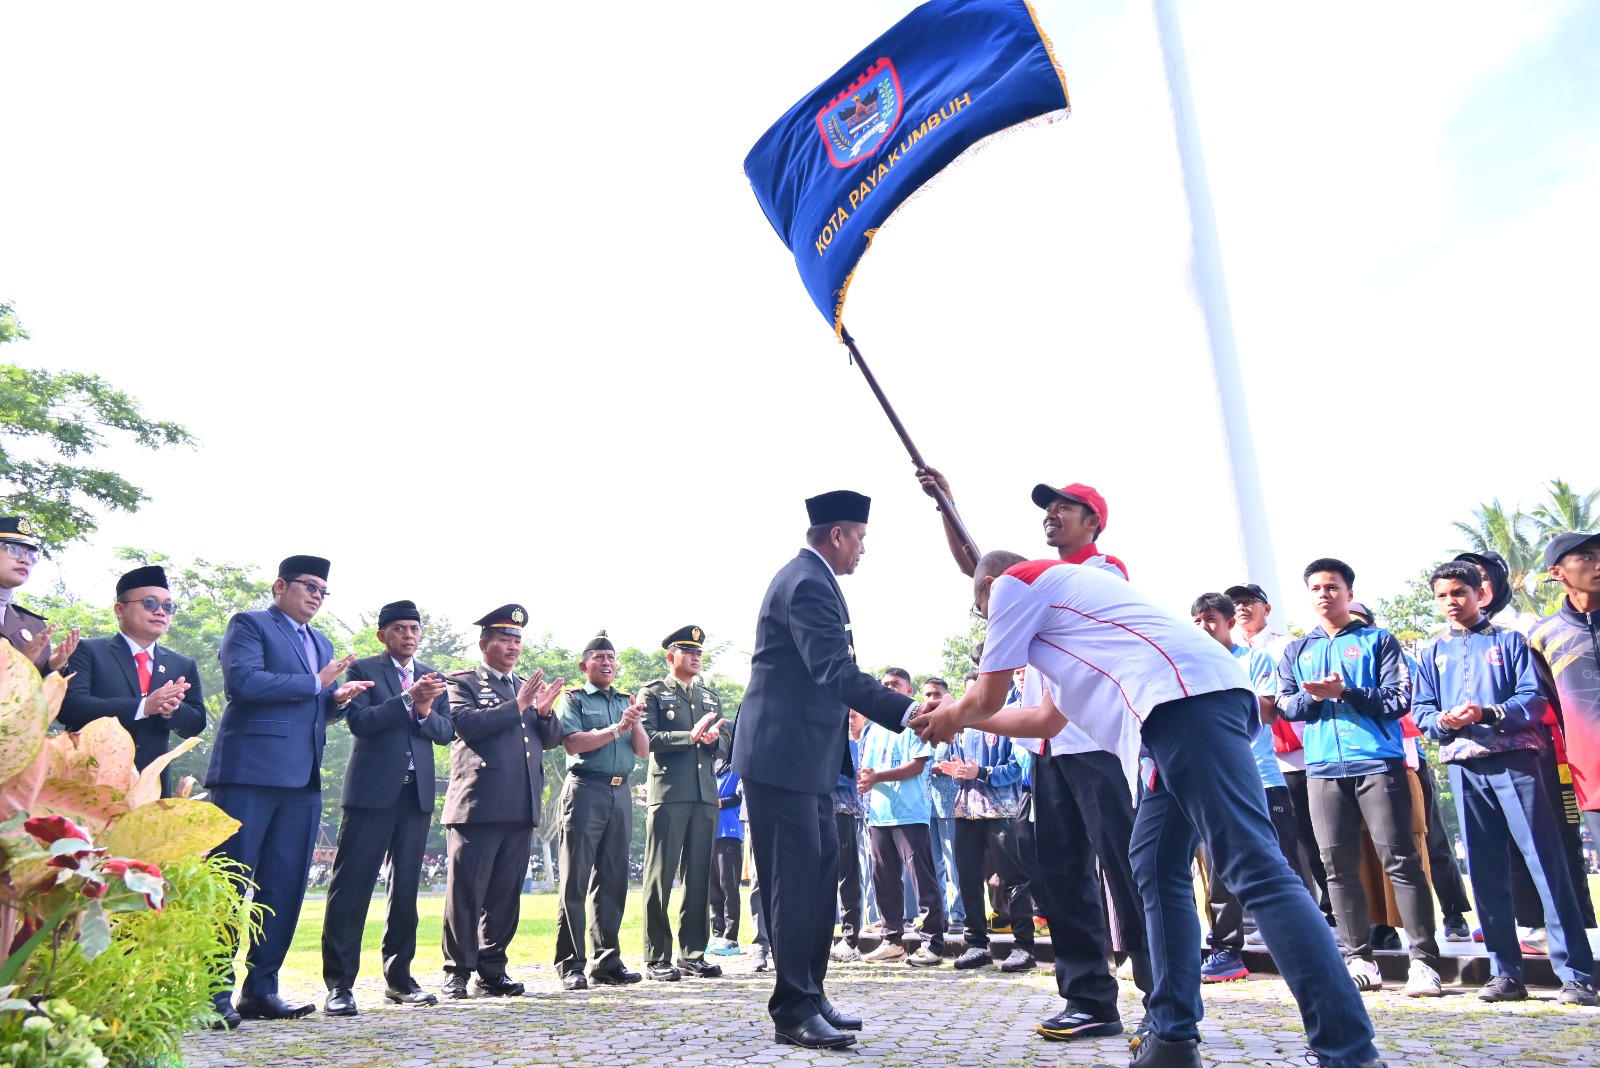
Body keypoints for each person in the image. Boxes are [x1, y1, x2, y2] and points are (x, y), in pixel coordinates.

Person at [915, 551, 1387, 1068]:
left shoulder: (1013, 582)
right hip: (1175, 712)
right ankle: (1171, 1037)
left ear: (987, 587)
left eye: (981, 611)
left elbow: (986, 696)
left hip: (1184, 700)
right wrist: (961, 717)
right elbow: (1046, 721)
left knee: (1256, 867)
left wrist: (952, 716)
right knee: (1154, 862)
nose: (990, 622)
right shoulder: (1071, 625)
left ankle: (1349, 1051)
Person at [730, 490, 937, 1051]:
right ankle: (792, 1009)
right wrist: (910, 713)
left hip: (807, 759)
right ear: (838, 534)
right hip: (782, 757)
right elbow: (833, 671)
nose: (863, 550)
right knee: (794, 882)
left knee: (820, 879)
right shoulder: (806, 583)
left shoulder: (815, 580)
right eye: (860, 539)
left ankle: (811, 992)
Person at [1412, 561, 1597, 1006]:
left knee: (1545, 863)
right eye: (1442, 595)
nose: (1451, 602)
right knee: (1484, 869)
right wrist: (1444, 720)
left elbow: (1533, 699)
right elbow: (1421, 711)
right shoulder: (1431, 651)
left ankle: (1576, 974)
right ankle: (1505, 973)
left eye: (1460, 592)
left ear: (1480, 593)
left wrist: (1489, 713)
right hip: (1463, 765)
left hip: (1516, 760)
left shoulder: (1512, 641)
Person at [206, 555, 373, 1027]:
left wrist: (336, 700)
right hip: (249, 774)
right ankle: (211, 990)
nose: (317, 596)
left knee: (283, 886)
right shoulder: (250, 624)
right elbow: (243, 683)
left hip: (302, 780)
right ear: (280, 586)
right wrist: (316, 682)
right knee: (229, 882)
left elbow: (316, 705)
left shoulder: (321, 642)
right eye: (309, 586)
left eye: (323, 590)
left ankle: (262, 989)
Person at [1277, 558, 1442, 997]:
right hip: (1322, 771)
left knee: (1400, 860)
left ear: (1349, 593)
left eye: (1332, 586)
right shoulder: (1297, 649)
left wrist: (1345, 692)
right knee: (1336, 867)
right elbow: (1286, 706)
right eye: (1316, 588)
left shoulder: (1378, 640)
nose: (1324, 594)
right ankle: (1359, 959)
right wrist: (1316, 698)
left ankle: (1424, 961)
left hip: (1377, 764)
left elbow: (1398, 700)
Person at [320, 600, 455, 1015]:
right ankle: (339, 985)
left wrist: (424, 709)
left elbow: (446, 731)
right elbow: (360, 722)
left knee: (406, 891)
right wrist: (407, 700)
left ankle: (399, 980)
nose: (408, 635)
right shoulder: (364, 670)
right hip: (372, 792)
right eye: (399, 628)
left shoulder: (432, 676)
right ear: (383, 635)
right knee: (352, 887)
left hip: (416, 794)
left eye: (414, 628)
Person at [439, 604, 564, 999]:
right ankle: (457, 970)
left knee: (505, 895)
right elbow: (467, 724)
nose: (513, 647)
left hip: (521, 804)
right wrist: (521, 705)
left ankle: (492, 970)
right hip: (478, 805)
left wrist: (544, 712)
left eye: (517, 640)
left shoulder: (523, 686)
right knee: (467, 893)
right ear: (484, 644)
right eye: (505, 639)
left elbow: (551, 739)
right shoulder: (462, 683)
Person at [1190, 592, 1304, 984]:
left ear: (1229, 622)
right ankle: (1226, 951)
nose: (1204, 627)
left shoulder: (1255, 660)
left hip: (1261, 779)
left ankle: (1304, 946)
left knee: (1281, 865)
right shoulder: (1188, 666)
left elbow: (1270, 712)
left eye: (1211, 619)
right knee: (1220, 872)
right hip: (1212, 783)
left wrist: (1223, 688)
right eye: (1197, 621)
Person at [58, 564, 205, 797]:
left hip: (149, 787)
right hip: (88, 779)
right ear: (119, 609)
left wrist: (172, 710)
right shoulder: (88, 650)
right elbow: (70, 708)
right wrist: (143, 707)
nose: (161, 612)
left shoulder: (182, 664)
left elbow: (196, 724)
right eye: (150, 603)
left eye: (168, 606)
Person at [554, 630, 648, 989]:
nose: (607, 663)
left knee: (613, 880)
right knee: (576, 880)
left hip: (620, 793)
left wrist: (634, 723)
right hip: (585, 790)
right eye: (599, 658)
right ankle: (571, 964)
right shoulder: (574, 699)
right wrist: (616, 727)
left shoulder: (625, 700)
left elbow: (642, 751)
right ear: (584, 666)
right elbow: (572, 743)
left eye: (611, 658)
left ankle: (607, 961)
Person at [638, 625, 729, 980]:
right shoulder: (653, 692)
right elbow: (647, 737)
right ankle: (656, 956)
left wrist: (711, 740)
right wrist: (689, 737)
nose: (695, 657)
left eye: (699, 653)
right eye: (688, 651)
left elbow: (724, 746)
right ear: (670, 656)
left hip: (705, 795)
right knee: (660, 876)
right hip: (669, 794)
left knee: (700, 877)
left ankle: (692, 953)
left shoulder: (709, 697)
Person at [1531, 534, 1600, 901]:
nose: (1598, 564)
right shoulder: (1542, 636)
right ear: (1557, 572)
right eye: (1587, 557)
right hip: (1591, 773)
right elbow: (1550, 707)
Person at [857, 678, 943, 968]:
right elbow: (866, 767)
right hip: (879, 814)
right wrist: (866, 779)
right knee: (884, 880)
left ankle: (932, 943)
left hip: (910, 813)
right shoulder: (872, 730)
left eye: (896, 684)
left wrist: (877, 777)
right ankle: (892, 941)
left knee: (922, 879)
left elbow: (918, 765)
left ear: (909, 691)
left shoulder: (916, 723)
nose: (889, 688)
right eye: (884, 684)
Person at [942, 721, 1034, 973]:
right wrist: (958, 773)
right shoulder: (962, 727)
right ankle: (977, 945)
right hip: (966, 811)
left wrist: (982, 772)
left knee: (1013, 879)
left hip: (1001, 811)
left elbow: (1017, 768)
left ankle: (1024, 946)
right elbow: (958, 768)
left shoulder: (1007, 721)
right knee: (968, 878)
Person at [0, 516, 78, 675]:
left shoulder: (34, 626)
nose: (25, 560)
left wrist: (53, 667)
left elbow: (42, 689)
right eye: (13, 549)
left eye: (30, 555)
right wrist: (20, 664)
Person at [921, 676, 965, 936]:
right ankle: (940, 917)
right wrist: (931, 767)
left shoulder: (956, 724)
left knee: (952, 863)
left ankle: (958, 915)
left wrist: (932, 767)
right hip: (926, 806)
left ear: (947, 696)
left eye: (937, 694)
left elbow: (958, 763)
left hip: (951, 804)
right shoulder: (920, 726)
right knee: (933, 864)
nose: (932, 699)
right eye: (927, 694)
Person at [829, 710, 869, 964]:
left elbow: (851, 776)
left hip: (843, 813)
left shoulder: (857, 745)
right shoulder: (822, 739)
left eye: (854, 716)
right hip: (816, 811)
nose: (848, 721)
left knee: (847, 875)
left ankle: (850, 938)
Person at [708, 749, 744, 955]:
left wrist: (719, 802)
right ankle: (717, 932)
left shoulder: (737, 765)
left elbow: (740, 795)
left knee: (728, 885)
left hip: (728, 830)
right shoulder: (711, 764)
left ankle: (731, 937)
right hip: (709, 831)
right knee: (712, 887)